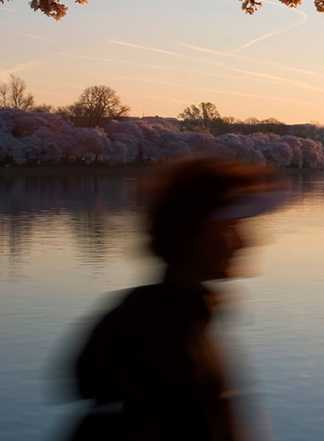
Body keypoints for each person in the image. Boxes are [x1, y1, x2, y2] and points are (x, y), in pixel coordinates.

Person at [68, 157, 282, 441]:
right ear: (192, 235)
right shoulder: (155, 334)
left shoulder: (184, 317)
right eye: (229, 227)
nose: (247, 241)